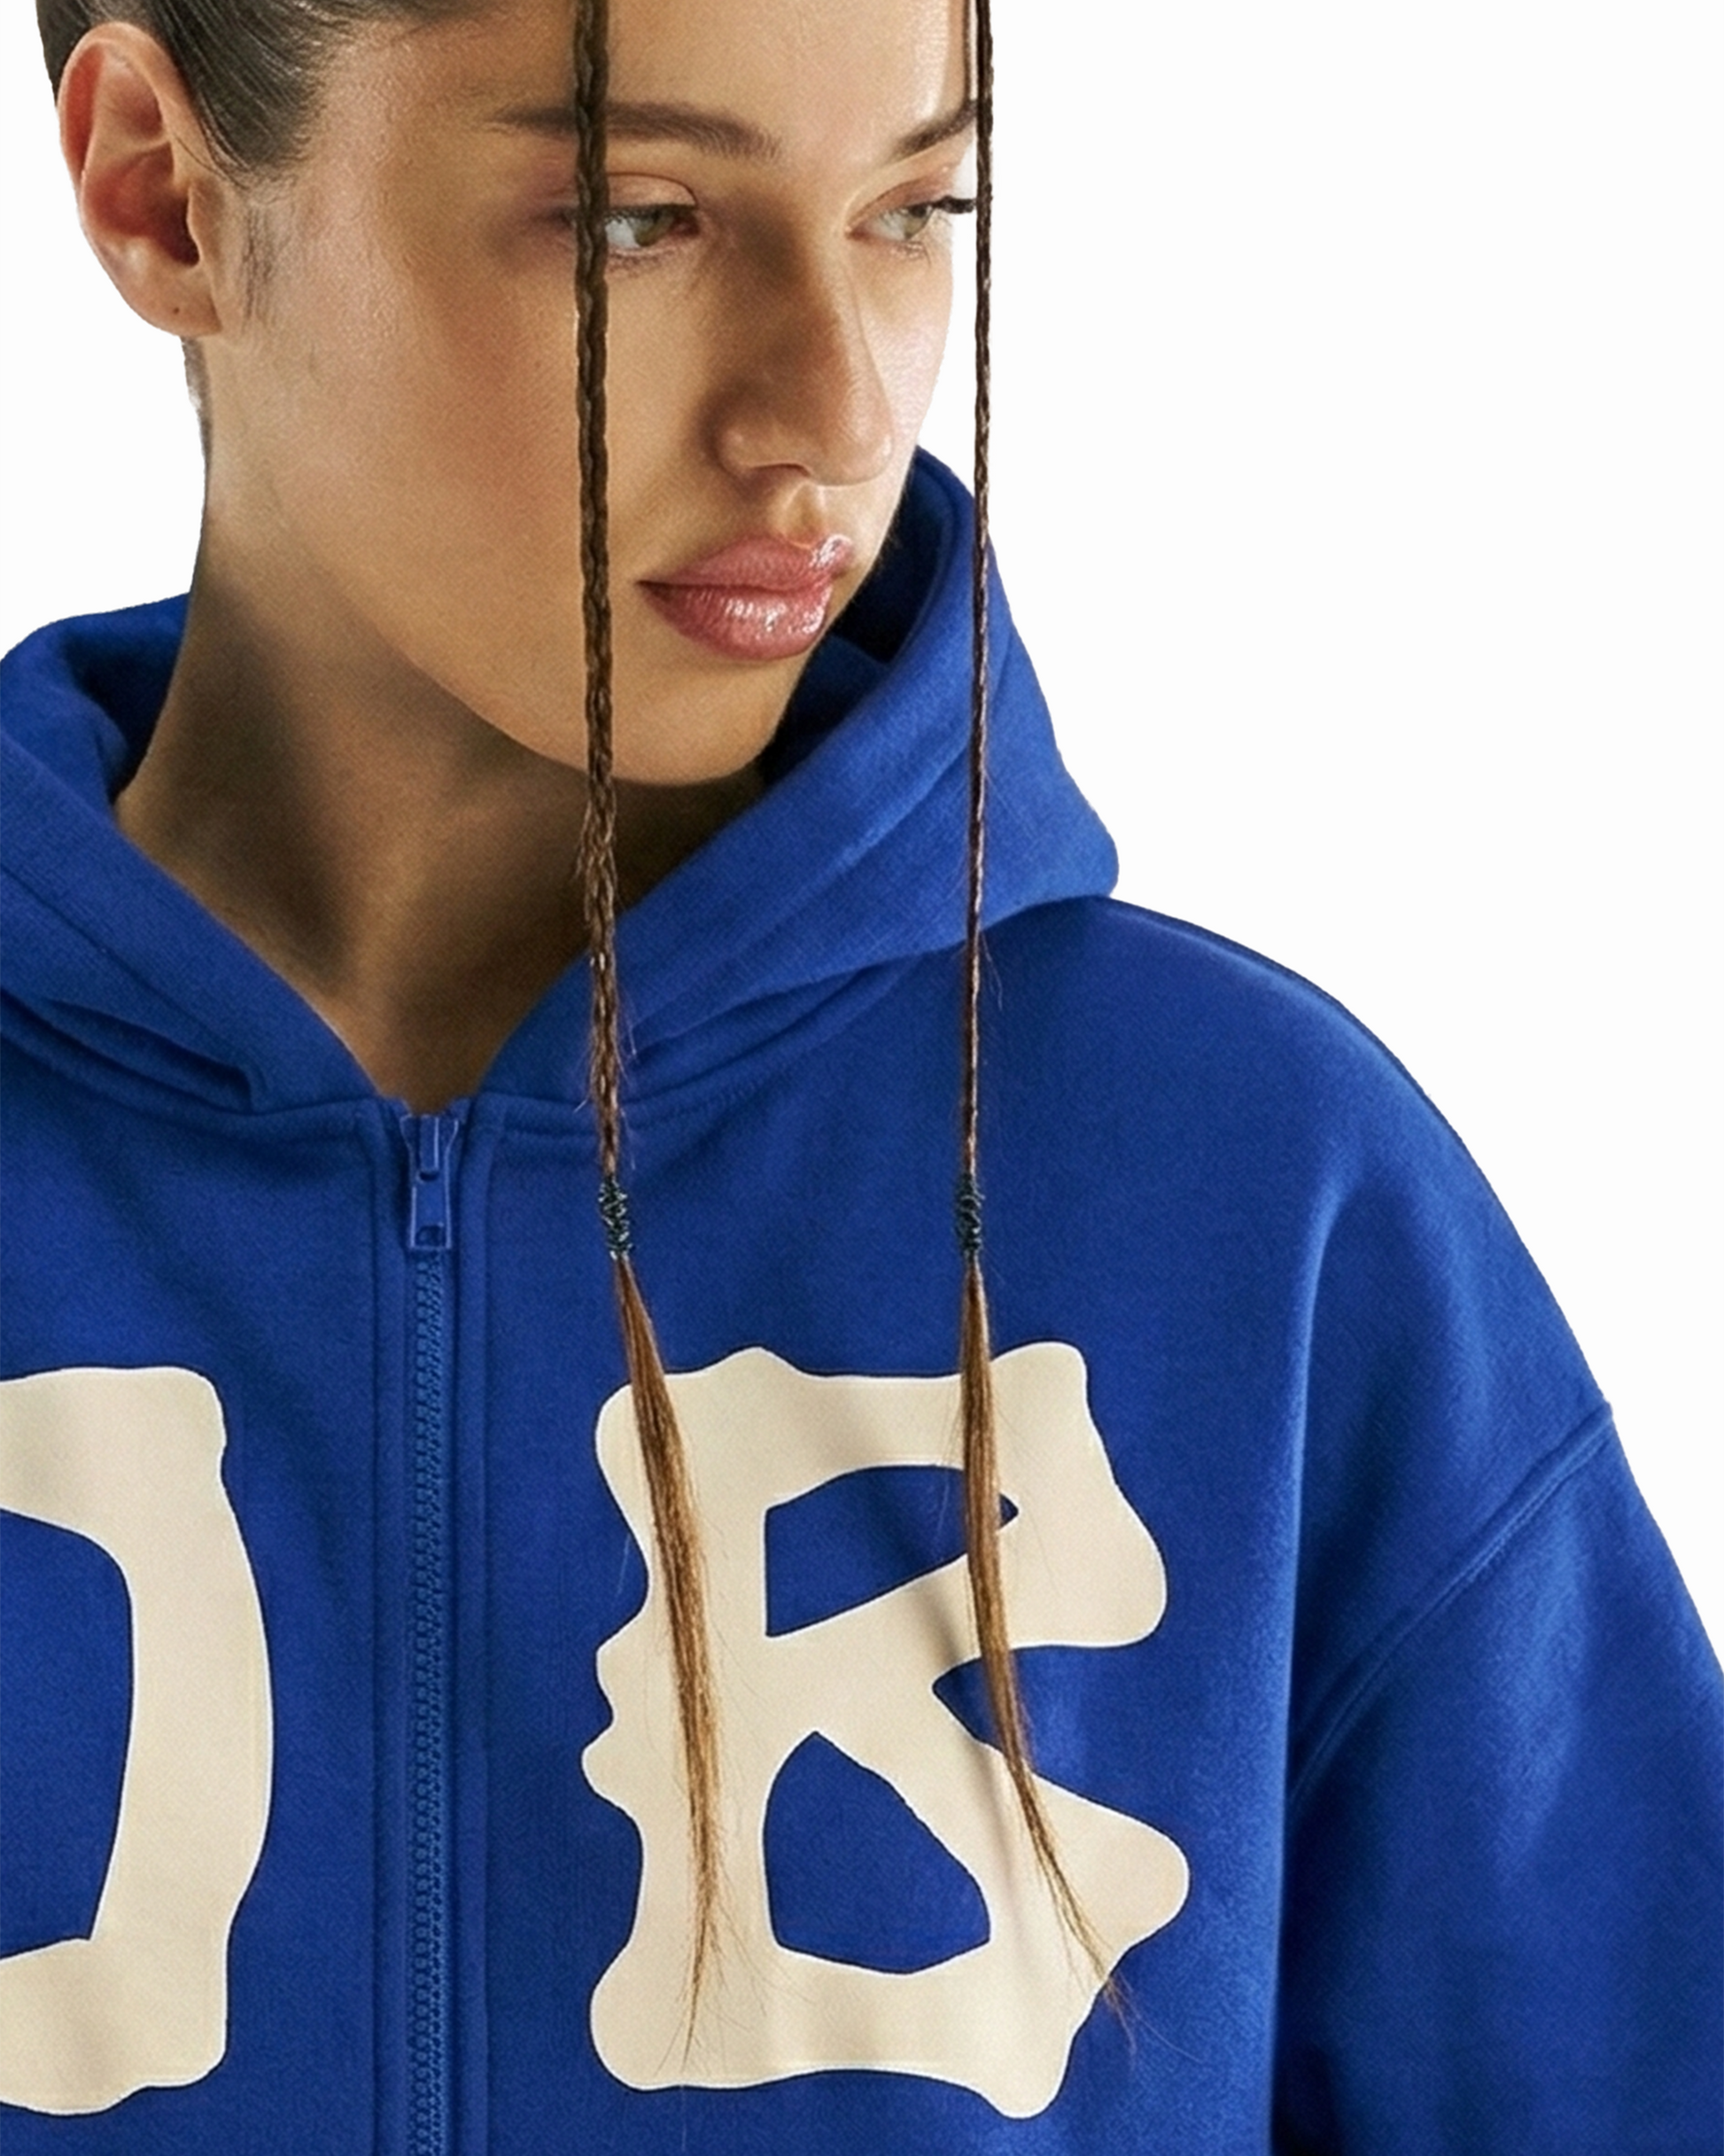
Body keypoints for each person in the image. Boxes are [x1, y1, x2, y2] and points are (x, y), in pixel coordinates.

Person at [1, 0, 1720, 2148]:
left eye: (915, 209)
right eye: (635, 219)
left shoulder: (1253, 1198)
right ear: (162, 195)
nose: (827, 411)